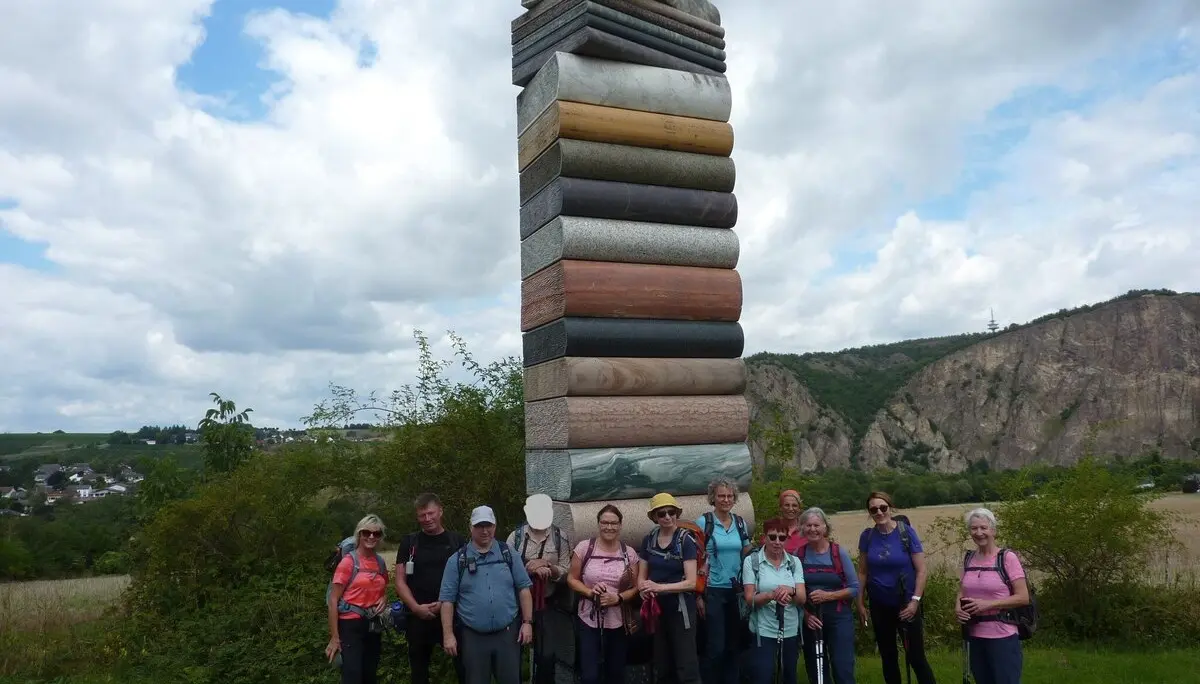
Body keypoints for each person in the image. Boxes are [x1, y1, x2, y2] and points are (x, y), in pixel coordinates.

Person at [439, 505, 535, 684]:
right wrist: (448, 634)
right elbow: (447, 601)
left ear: (495, 526)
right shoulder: (456, 561)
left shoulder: (508, 554)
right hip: (473, 636)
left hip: (507, 634)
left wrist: (527, 623)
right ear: (471, 528)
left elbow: (524, 588)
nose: (484, 531)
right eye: (479, 526)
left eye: (488, 525)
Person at [855, 492, 936, 684]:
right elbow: (863, 572)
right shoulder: (867, 537)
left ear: (890, 508)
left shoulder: (906, 533)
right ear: (869, 512)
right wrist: (859, 603)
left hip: (906, 604)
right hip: (880, 605)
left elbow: (921, 570)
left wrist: (915, 602)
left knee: (916, 657)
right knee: (888, 657)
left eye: (883, 507)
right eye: (874, 509)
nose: (879, 512)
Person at [394, 493, 467, 684]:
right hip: (417, 617)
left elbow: (467, 580)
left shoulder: (457, 541)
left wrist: (444, 604)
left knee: (464, 669)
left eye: (430, 513)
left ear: (440, 511)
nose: (427, 519)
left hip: (453, 615)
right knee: (419, 672)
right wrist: (416, 608)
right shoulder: (409, 543)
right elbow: (400, 581)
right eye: (422, 515)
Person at [567, 504, 642, 684]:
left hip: (619, 622)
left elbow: (636, 587)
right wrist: (590, 592)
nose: (609, 527)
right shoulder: (585, 548)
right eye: (605, 522)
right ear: (598, 524)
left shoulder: (628, 553)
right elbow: (571, 579)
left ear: (620, 525)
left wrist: (618, 598)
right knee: (590, 676)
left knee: (615, 674)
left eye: (614, 523)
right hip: (588, 619)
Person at [956, 508, 1030, 684]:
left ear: (993, 530)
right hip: (974, 635)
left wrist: (987, 605)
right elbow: (962, 590)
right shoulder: (969, 559)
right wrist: (957, 607)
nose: (979, 533)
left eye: (984, 527)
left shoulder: (1007, 558)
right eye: (974, 529)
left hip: (1003, 636)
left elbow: (1023, 597)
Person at [505, 494, 572, 684]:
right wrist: (528, 567)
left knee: (547, 655)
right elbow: (505, 569)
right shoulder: (515, 537)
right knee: (514, 654)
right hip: (517, 603)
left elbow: (567, 572)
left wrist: (549, 568)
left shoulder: (560, 537)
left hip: (548, 603)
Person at [638, 492, 702, 684]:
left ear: (677, 514)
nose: (667, 517)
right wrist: (643, 587)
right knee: (661, 662)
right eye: (661, 513)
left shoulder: (685, 540)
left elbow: (691, 582)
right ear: (655, 517)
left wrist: (659, 587)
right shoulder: (649, 539)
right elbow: (642, 574)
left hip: (680, 608)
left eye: (671, 512)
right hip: (657, 609)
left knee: (686, 663)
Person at [695, 478, 753, 684]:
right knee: (715, 646)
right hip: (712, 590)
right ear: (713, 498)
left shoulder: (739, 522)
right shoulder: (704, 522)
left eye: (729, 496)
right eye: (721, 495)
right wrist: (698, 595)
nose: (725, 500)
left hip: (736, 591)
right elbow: (695, 558)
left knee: (734, 646)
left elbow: (746, 551)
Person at [326, 514, 390, 684]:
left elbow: (382, 588)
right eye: (366, 532)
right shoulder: (348, 562)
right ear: (359, 534)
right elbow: (333, 600)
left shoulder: (380, 563)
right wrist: (334, 637)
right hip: (350, 626)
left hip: (372, 625)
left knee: (370, 675)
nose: (371, 536)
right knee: (352, 675)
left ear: (380, 537)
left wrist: (384, 597)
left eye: (376, 534)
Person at [798, 507, 858, 684]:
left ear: (825, 527)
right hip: (812, 618)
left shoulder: (838, 553)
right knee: (817, 670)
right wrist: (806, 615)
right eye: (808, 525)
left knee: (842, 666)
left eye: (817, 525)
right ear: (802, 528)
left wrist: (828, 596)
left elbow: (854, 588)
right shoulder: (798, 556)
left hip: (839, 617)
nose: (812, 529)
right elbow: (795, 591)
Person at [742, 518, 806, 684]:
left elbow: (802, 597)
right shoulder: (752, 561)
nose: (777, 542)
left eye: (782, 538)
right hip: (762, 630)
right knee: (763, 676)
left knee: (789, 676)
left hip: (790, 629)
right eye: (772, 537)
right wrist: (772, 595)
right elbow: (749, 599)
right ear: (764, 537)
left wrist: (790, 591)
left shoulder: (794, 562)